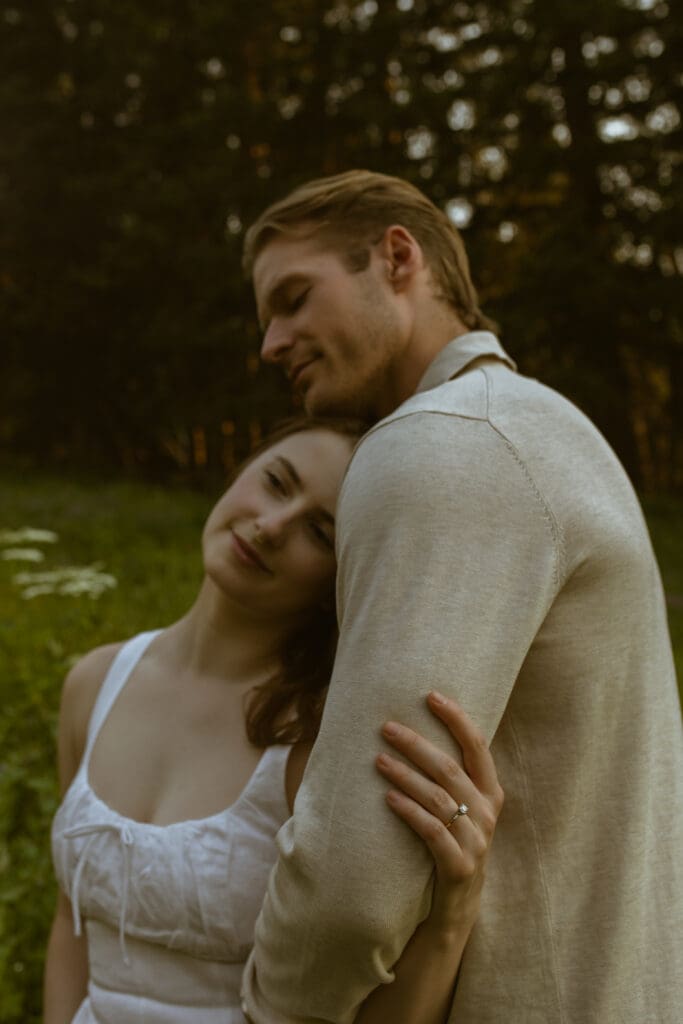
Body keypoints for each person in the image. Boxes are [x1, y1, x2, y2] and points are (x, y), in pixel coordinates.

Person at [239, 170, 683, 1023]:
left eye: (293, 299)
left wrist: (271, 1007)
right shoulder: (536, 428)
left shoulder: (448, 443)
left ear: (396, 258)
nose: (271, 344)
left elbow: (356, 876)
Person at [44, 417, 504, 1024]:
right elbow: (71, 921)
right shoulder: (94, 683)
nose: (270, 526)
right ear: (239, 472)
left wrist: (452, 917)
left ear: (341, 575)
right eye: (276, 483)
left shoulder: (318, 742)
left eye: (318, 531)